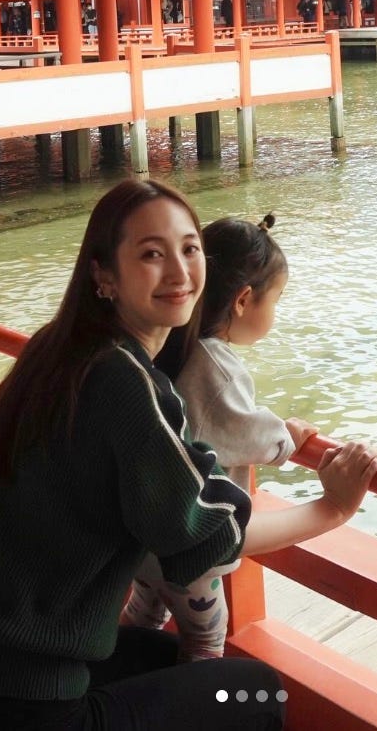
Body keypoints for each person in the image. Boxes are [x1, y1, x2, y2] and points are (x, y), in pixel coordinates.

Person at [0, 178, 377, 731]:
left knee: (166, 660)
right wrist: (333, 508)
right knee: (255, 693)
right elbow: (209, 535)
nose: (179, 271)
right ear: (104, 275)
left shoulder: (58, 347)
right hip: (12, 705)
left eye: (189, 248)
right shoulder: (124, 382)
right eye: (151, 254)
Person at [122, 214, 314, 659]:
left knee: (144, 614)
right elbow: (246, 432)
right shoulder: (216, 363)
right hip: (190, 544)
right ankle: (191, 697)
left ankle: (117, 674)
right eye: (276, 299)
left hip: (146, 531)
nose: (276, 311)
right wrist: (287, 436)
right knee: (206, 640)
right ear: (244, 300)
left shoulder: (167, 339)